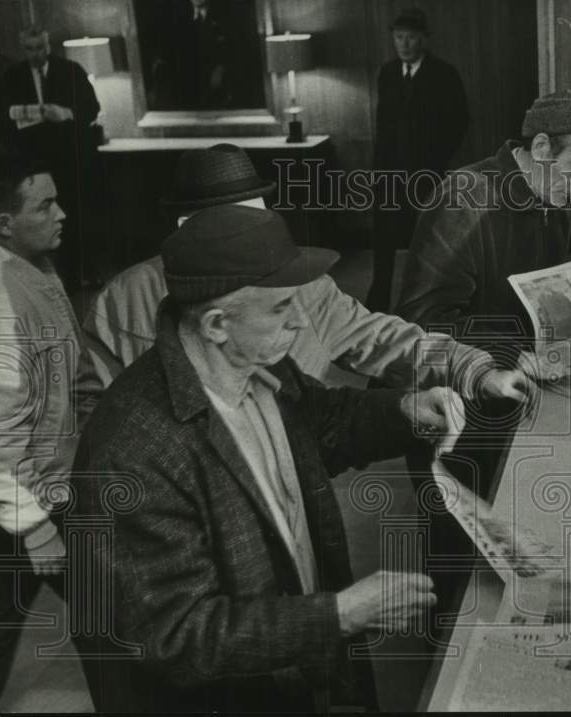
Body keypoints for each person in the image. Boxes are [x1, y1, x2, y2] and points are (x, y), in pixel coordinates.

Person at [70, 205, 466, 712]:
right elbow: (177, 635)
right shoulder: (132, 451)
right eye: (281, 308)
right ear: (216, 323)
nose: (299, 322)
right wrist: (338, 614)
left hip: (293, 669)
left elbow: (322, 421)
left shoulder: (257, 361)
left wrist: (407, 410)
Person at [79, 143, 530, 419]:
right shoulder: (120, 301)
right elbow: (97, 421)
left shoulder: (304, 283)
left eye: (257, 222)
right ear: (184, 229)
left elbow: (383, 338)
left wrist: (475, 369)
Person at [396, 88, 571, 363]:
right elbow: (424, 321)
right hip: (452, 389)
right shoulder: (462, 199)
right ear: (541, 147)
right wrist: (516, 356)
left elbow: (551, 305)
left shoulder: (555, 202)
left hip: (526, 372)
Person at [0, 159, 88, 701]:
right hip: (21, 503)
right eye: (44, 205)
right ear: (5, 224)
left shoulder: (35, 269)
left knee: (109, 611)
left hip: (50, 487)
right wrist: (36, 527)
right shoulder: (3, 297)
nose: (62, 214)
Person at [367, 7, 470, 311]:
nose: (404, 44)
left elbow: (459, 121)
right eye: (399, 38)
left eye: (411, 38)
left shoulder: (444, 74)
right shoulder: (386, 73)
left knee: (425, 243)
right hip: (388, 174)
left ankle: (422, 307)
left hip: (426, 175)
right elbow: (383, 127)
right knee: (384, 243)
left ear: (424, 39)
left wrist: (436, 161)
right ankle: (378, 306)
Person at [0, 25, 101, 292]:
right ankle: (43, 281)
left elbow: (92, 108)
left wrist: (65, 112)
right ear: (24, 49)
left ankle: (80, 276)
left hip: (69, 159)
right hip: (32, 163)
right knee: (35, 221)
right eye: (29, 49)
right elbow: (1, 117)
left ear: (48, 46)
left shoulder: (71, 71)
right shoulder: (12, 76)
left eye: (40, 48)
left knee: (73, 217)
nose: (35, 54)